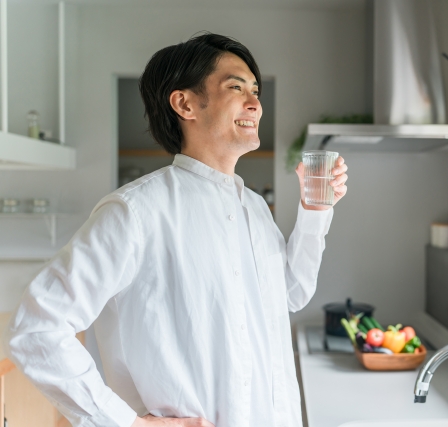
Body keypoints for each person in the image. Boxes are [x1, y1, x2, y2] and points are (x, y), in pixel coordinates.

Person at [3, 33, 348, 427]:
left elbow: (290, 293)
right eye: (236, 87)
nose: (255, 103)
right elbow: (36, 328)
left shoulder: (253, 207)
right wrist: (126, 423)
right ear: (185, 103)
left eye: (256, 90)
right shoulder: (134, 212)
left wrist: (314, 210)